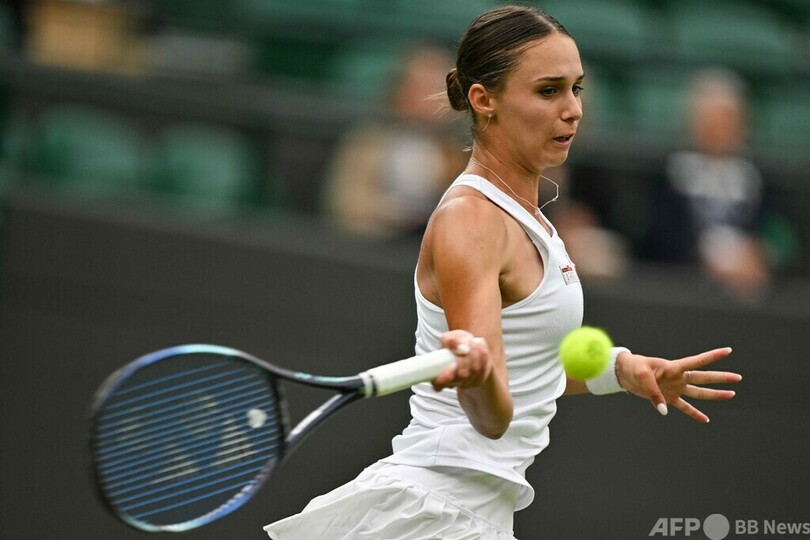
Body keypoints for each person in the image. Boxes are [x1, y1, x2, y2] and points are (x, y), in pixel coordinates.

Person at [264, 6, 741, 539]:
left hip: (471, 513)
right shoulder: (470, 220)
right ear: (483, 100)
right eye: (548, 91)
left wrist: (620, 371)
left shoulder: (529, 216)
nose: (573, 110)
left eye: (577, 89)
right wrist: (480, 376)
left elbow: (524, 367)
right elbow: (489, 419)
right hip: (436, 517)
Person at [641, 68, 776, 301]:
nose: (722, 131)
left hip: (748, 291)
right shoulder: (669, 174)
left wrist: (758, 254)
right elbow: (655, 235)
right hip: (682, 287)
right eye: (714, 122)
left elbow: (777, 234)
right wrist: (705, 256)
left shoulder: (758, 179)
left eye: (729, 122)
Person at [323, 44, 466, 239]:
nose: (429, 98)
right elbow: (346, 204)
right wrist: (389, 212)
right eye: (419, 89)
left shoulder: (463, 150)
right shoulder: (367, 140)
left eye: (437, 89)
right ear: (399, 90)